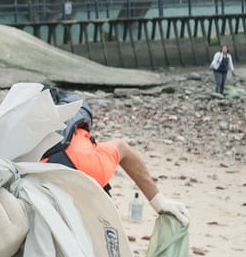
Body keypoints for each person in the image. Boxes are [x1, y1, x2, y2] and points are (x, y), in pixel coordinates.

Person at [40, 87, 190, 226]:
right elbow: (122, 147)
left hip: (44, 177)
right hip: (80, 168)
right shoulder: (91, 163)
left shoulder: (23, 151)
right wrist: (159, 202)